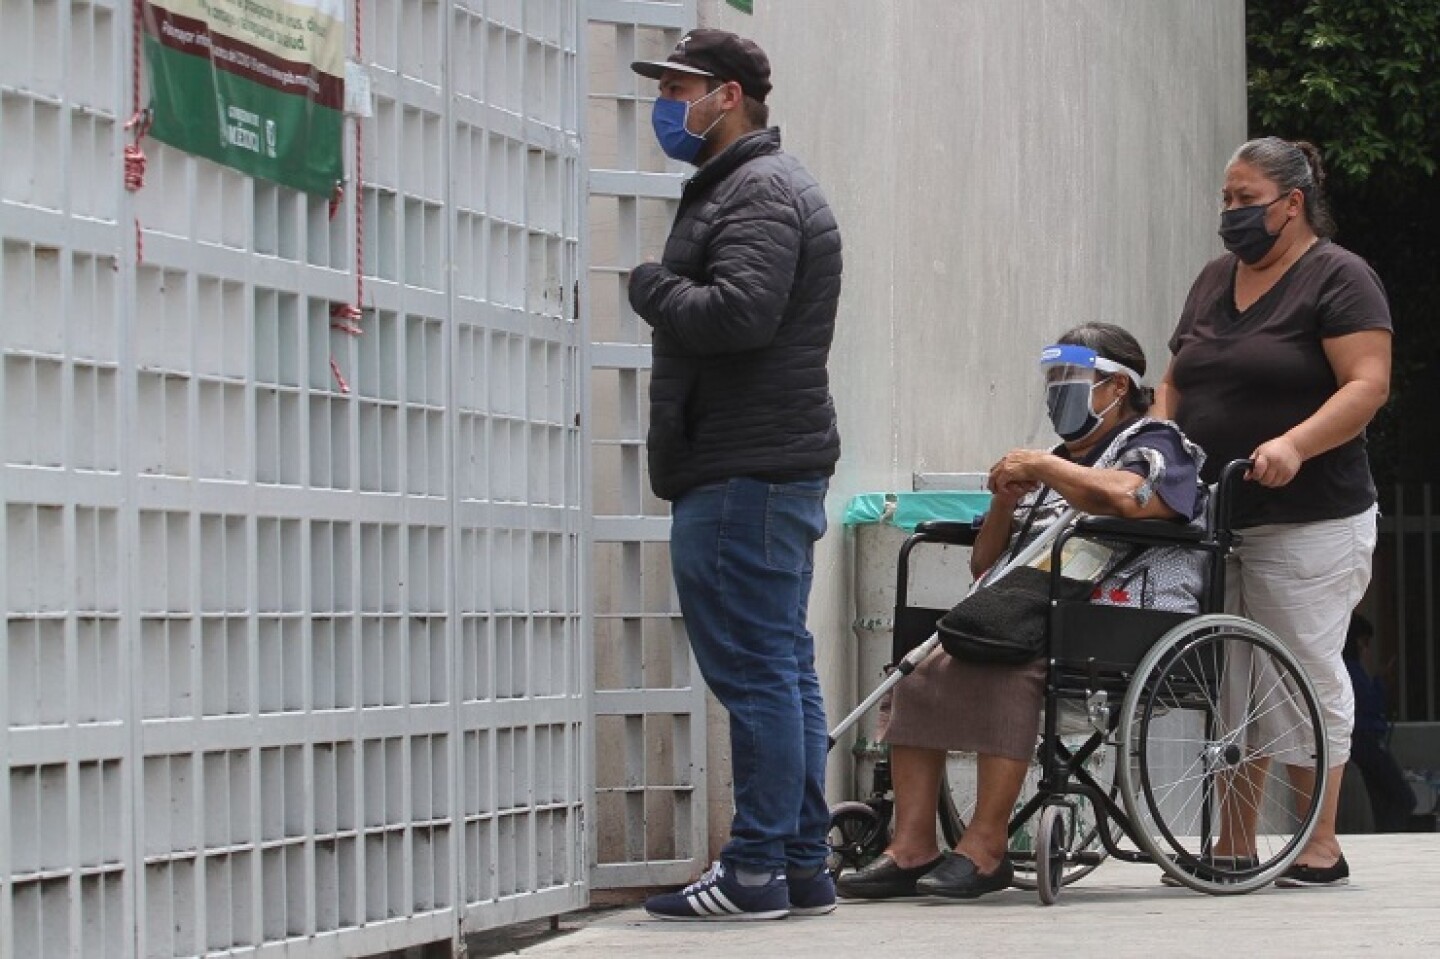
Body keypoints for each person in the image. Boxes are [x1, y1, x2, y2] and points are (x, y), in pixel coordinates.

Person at [838, 322, 1208, 901]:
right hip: (1031, 604)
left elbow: (1128, 497)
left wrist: (1043, 467)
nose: (1058, 390)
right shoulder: (1050, 465)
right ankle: (912, 847)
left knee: (1010, 669)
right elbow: (984, 564)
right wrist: (1002, 502)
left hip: (1119, 612)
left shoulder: (1158, 443)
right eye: (1053, 378)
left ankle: (985, 850)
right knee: (917, 671)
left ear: (1115, 387)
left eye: (1073, 378)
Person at [625, 29, 844, 920]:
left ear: (726, 95)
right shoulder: (761, 185)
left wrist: (651, 288)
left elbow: (741, 314)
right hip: (767, 463)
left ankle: (755, 868)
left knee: (758, 672)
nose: (667, 105)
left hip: (742, 468)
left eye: (677, 87)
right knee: (783, 665)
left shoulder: (756, 189)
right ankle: (799, 864)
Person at [1153, 136, 1392, 886]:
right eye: (1226, 199)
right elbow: (1176, 373)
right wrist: (1163, 440)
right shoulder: (1212, 280)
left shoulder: (1341, 277)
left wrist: (1293, 442)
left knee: (1301, 670)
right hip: (1222, 516)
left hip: (1311, 517)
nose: (1231, 214)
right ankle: (1232, 842)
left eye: (1245, 199)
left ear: (1291, 204)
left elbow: (1366, 384)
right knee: (1233, 677)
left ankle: (1318, 844)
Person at [1344, 613, 1416, 832]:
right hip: (1366, 741)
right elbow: (1369, 705)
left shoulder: (1352, 669)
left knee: (1380, 799)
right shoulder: (1351, 670)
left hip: (1362, 742)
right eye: (1365, 643)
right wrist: (1381, 682)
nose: (1367, 650)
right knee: (1402, 798)